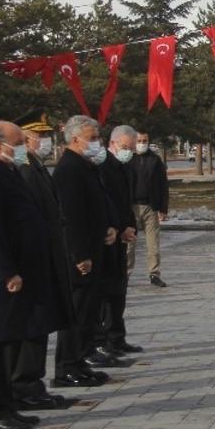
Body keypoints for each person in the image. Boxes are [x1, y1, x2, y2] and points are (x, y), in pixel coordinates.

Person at [0, 121, 65, 429]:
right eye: (18, 142)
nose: (22, 147)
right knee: (0, 346)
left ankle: (8, 404)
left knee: (12, 342)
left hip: (21, 270)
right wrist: (7, 271)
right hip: (0, 277)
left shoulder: (5, 170)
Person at [10, 108, 79, 407]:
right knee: (33, 326)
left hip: (48, 254)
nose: (46, 141)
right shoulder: (25, 169)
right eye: (40, 136)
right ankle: (25, 386)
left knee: (40, 326)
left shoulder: (35, 166)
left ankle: (32, 384)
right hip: (34, 258)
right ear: (25, 139)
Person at [52, 115, 116, 387]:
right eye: (91, 139)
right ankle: (67, 366)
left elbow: (96, 204)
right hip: (81, 254)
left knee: (88, 311)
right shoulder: (68, 169)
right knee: (77, 313)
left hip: (95, 245)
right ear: (75, 139)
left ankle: (79, 361)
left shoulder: (85, 165)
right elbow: (71, 217)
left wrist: (108, 226)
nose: (96, 143)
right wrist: (80, 255)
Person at [95, 126, 140, 356]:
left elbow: (127, 202)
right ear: (112, 144)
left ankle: (117, 337)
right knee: (107, 291)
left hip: (123, 235)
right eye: (125, 147)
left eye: (131, 148)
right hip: (109, 237)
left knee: (119, 290)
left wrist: (131, 226)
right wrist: (117, 228)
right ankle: (103, 340)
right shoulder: (103, 167)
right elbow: (106, 203)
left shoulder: (125, 167)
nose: (129, 152)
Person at [128, 129, 168, 287]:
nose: (142, 144)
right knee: (129, 244)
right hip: (131, 207)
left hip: (150, 207)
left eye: (145, 141)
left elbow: (163, 185)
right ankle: (126, 273)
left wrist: (163, 208)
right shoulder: (128, 159)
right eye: (139, 141)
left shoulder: (155, 160)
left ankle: (154, 274)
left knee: (153, 244)